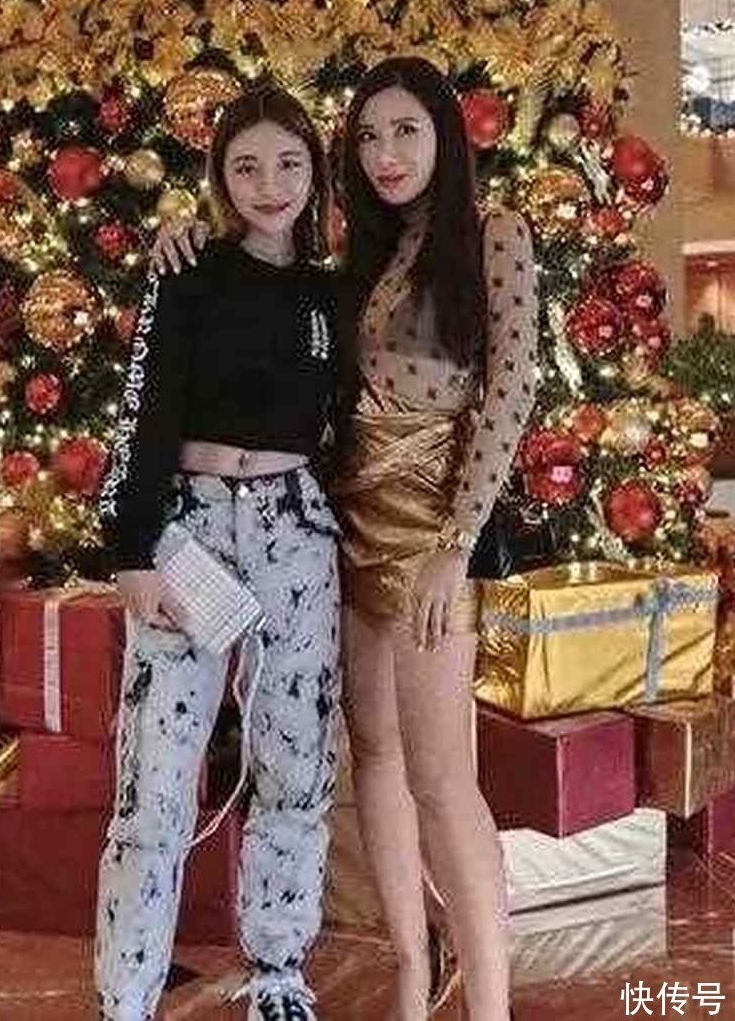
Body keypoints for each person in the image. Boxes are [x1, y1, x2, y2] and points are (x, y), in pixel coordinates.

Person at [153, 58, 539, 1020]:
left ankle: (491, 1004)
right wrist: (187, 234)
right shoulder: (358, 252)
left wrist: (457, 544)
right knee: (373, 759)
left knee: (443, 779)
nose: (385, 154)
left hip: (431, 535)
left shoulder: (493, 235)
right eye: (367, 137)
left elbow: (511, 393)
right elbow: (267, 296)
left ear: (445, 135)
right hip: (345, 527)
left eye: (406, 131)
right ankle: (412, 968)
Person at [93, 85, 342, 1021]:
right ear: (220, 177)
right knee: (155, 776)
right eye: (246, 166)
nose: (269, 184)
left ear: (314, 172)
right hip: (188, 530)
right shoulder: (187, 270)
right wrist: (131, 548)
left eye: (288, 163)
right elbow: (144, 410)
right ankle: (125, 996)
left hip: (298, 533)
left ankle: (279, 969)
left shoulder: (329, 291)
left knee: (295, 762)